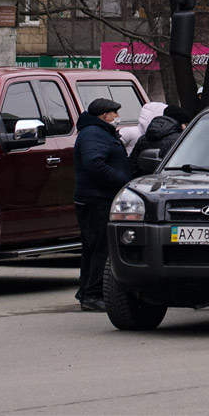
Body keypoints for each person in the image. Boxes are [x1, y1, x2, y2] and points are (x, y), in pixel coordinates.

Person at [73, 98, 132, 312]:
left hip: (96, 199)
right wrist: (121, 180)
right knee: (100, 249)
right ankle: (93, 294)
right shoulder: (93, 134)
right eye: (114, 113)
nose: (117, 117)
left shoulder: (98, 132)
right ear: (104, 116)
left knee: (92, 248)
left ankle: (86, 291)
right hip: (96, 200)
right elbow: (94, 164)